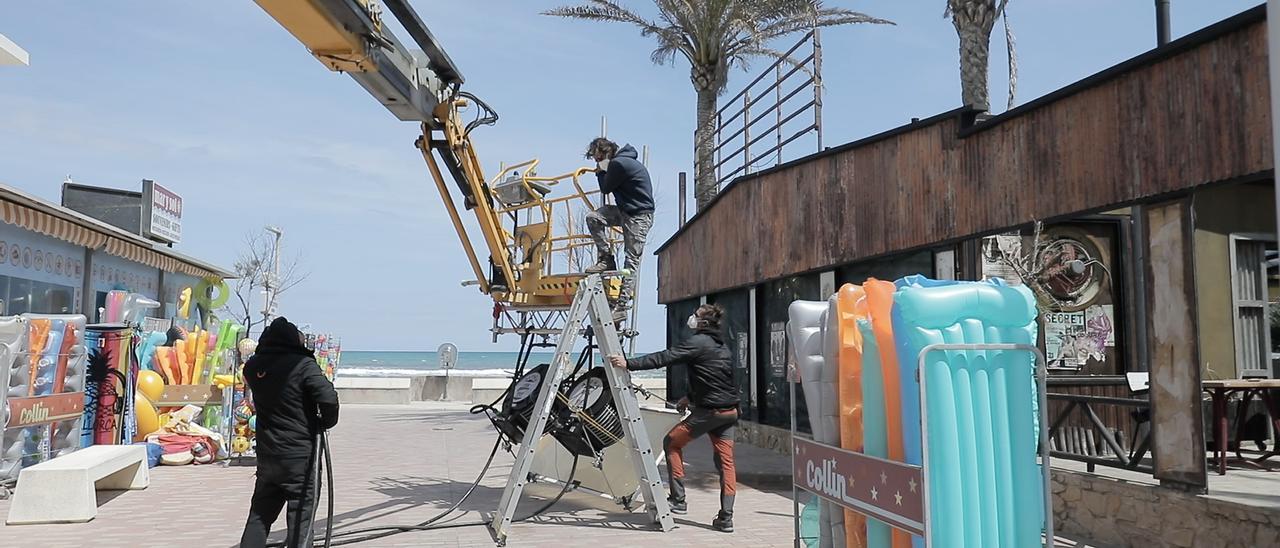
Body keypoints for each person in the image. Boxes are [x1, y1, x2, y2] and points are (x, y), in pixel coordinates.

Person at [608, 304, 738, 533]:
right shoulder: (722, 346)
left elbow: (665, 357)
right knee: (726, 464)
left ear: (703, 323)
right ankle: (726, 518)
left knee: (671, 442)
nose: (692, 318)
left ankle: (678, 500)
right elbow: (717, 378)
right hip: (729, 412)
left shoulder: (698, 343)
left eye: (696, 316)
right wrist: (689, 397)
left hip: (709, 412)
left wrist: (629, 364)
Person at [240, 317, 340, 548]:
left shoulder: (253, 367)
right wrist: (325, 422)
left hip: (268, 455)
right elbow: (328, 397)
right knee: (300, 520)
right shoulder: (303, 365)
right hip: (299, 457)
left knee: (260, 516)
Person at [584, 137, 654, 321]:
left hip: (638, 216)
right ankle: (606, 258)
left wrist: (600, 172)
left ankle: (622, 306)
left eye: (599, 159)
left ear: (607, 153)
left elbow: (605, 188)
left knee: (631, 261)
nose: (597, 163)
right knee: (594, 218)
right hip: (626, 211)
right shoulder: (621, 161)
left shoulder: (619, 164)